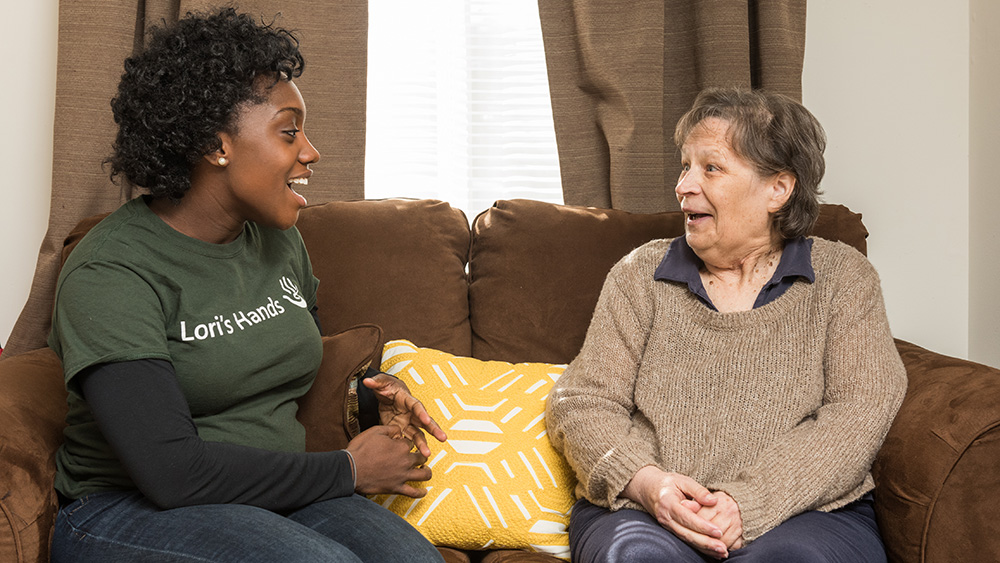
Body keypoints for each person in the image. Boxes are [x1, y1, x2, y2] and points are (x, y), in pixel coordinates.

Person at [48, 9, 447, 562]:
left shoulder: (277, 240)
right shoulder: (112, 272)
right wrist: (350, 469)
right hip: (123, 509)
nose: (310, 152)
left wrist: (372, 398)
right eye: (289, 132)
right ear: (218, 147)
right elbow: (171, 473)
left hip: (272, 494)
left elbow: (275, 360)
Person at [545, 87, 907, 562]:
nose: (684, 186)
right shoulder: (640, 274)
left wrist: (747, 502)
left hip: (805, 514)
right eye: (685, 166)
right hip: (644, 511)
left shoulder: (842, 279)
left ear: (778, 188)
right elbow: (582, 400)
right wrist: (649, 484)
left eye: (710, 168)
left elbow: (859, 412)